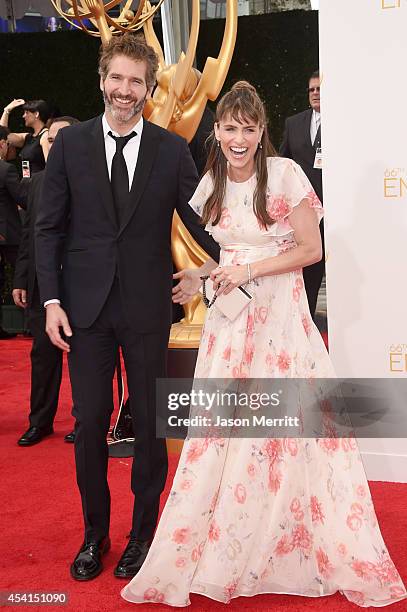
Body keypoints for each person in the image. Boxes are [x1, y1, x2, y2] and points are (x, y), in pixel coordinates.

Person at [121, 82, 406, 608]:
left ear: (261, 132)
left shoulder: (285, 175)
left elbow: (309, 248)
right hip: (230, 327)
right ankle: (232, 540)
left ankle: (290, 539)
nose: (238, 138)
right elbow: (228, 251)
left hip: (280, 323)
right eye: (230, 128)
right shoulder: (210, 182)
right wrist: (204, 274)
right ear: (218, 130)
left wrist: (245, 270)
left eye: (248, 129)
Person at [34, 33, 220, 582]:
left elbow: (206, 222)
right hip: (83, 311)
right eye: (116, 78)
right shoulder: (69, 146)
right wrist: (49, 300)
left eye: (136, 81)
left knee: (150, 428)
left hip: (146, 308)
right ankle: (95, 535)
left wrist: (210, 273)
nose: (125, 89)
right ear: (102, 80)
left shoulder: (169, 149)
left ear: (148, 88)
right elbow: (49, 229)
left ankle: (143, 533)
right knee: (89, 423)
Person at [13, 117, 78, 447]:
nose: (56, 144)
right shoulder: (35, 183)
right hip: (42, 283)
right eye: (51, 140)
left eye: (63, 139)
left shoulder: (93, 180)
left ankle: (85, 419)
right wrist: (21, 278)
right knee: (42, 355)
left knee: (83, 356)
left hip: (82, 285)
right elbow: (30, 235)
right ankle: (39, 422)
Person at [279, 70, 324, 319]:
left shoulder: (347, 123)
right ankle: (306, 325)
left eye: (320, 89)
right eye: (312, 90)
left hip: (339, 213)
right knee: (309, 278)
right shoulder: (293, 123)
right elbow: (283, 162)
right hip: (305, 216)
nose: (315, 93)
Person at [0, 126, 26, 339]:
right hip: (8, 234)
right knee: (23, 272)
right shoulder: (5, 169)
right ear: (2, 144)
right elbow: (22, 198)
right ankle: (31, 322)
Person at [1, 99, 50, 176]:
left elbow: (50, 165)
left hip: (37, 184)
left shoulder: (45, 136)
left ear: (36, 114)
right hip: (26, 183)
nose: (23, 116)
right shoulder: (28, 137)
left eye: (26, 113)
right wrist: (6, 110)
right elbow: (3, 135)